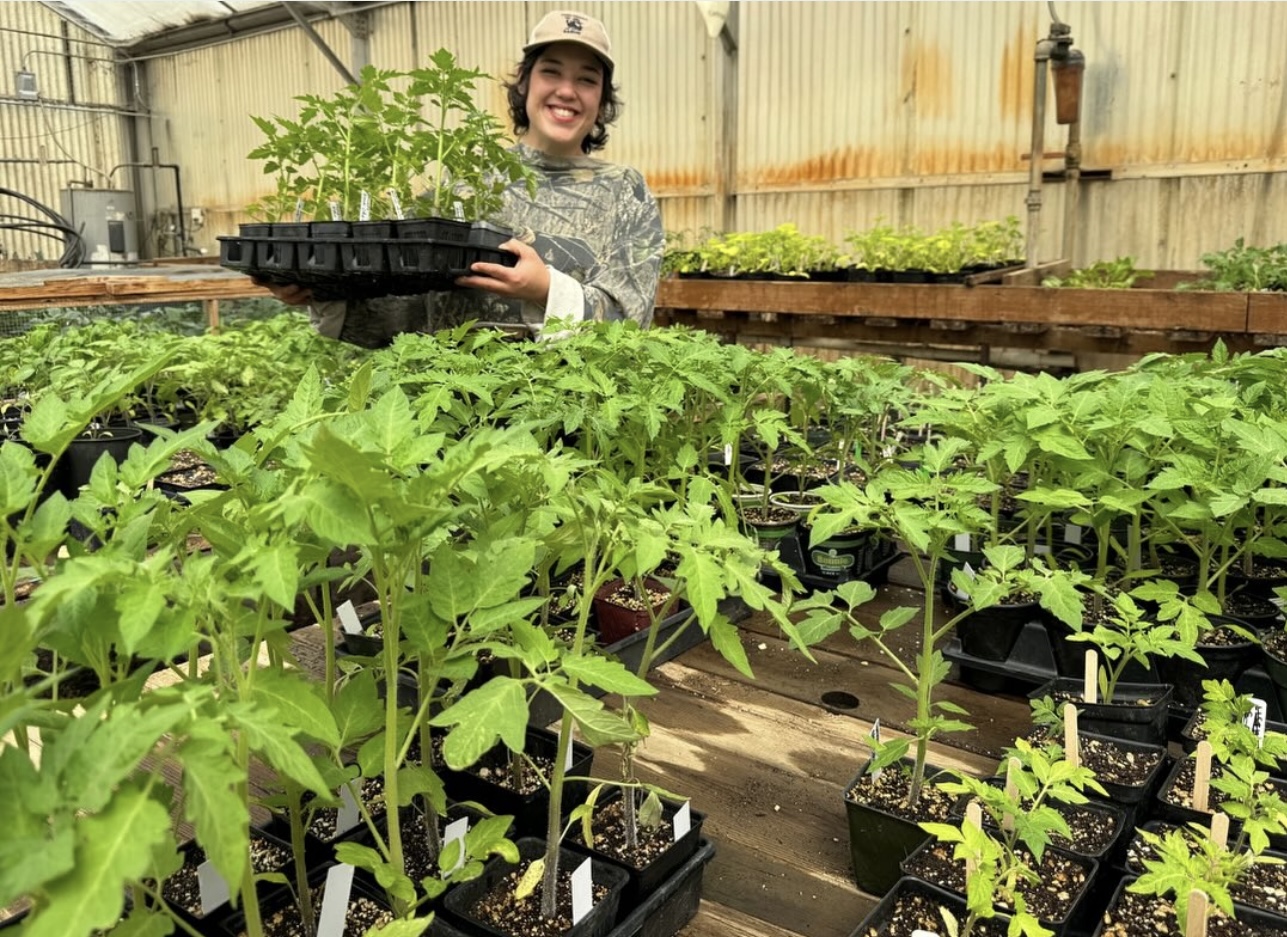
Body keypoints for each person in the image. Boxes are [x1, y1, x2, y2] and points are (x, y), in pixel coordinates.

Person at [258, 10, 664, 346]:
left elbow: (630, 323)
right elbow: (408, 310)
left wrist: (544, 289)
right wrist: (321, 291)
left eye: (587, 79)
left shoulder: (625, 192)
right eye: (551, 72)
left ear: (602, 99)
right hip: (458, 410)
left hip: (571, 415)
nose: (567, 91)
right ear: (524, 81)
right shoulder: (468, 182)